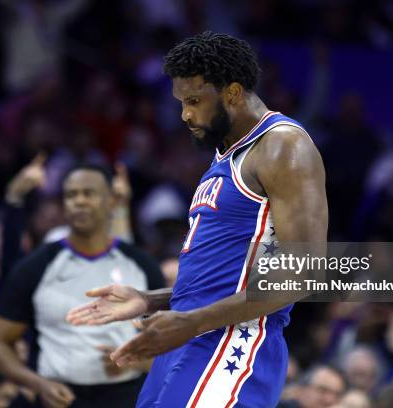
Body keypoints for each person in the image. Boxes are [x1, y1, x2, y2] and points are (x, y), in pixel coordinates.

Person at [67, 31, 328, 407]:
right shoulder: (225, 154)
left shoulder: (282, 146)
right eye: (181, 102)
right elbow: (221, 277)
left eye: (193, 101)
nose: (185, 114)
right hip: (191, 336)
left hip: (234, 344)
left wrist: (192, 321)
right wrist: (149, 300)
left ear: (233, 93)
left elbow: (304, 272)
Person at [0, 164, 164, 407]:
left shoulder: (142, 265)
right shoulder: (36, 267)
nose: (79, 201)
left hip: (128, 396)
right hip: (59, 397)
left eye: (88, 193)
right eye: (71, 195)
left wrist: (139, 361)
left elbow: (171, 339)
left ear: (112, 201)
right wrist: (38, 384)